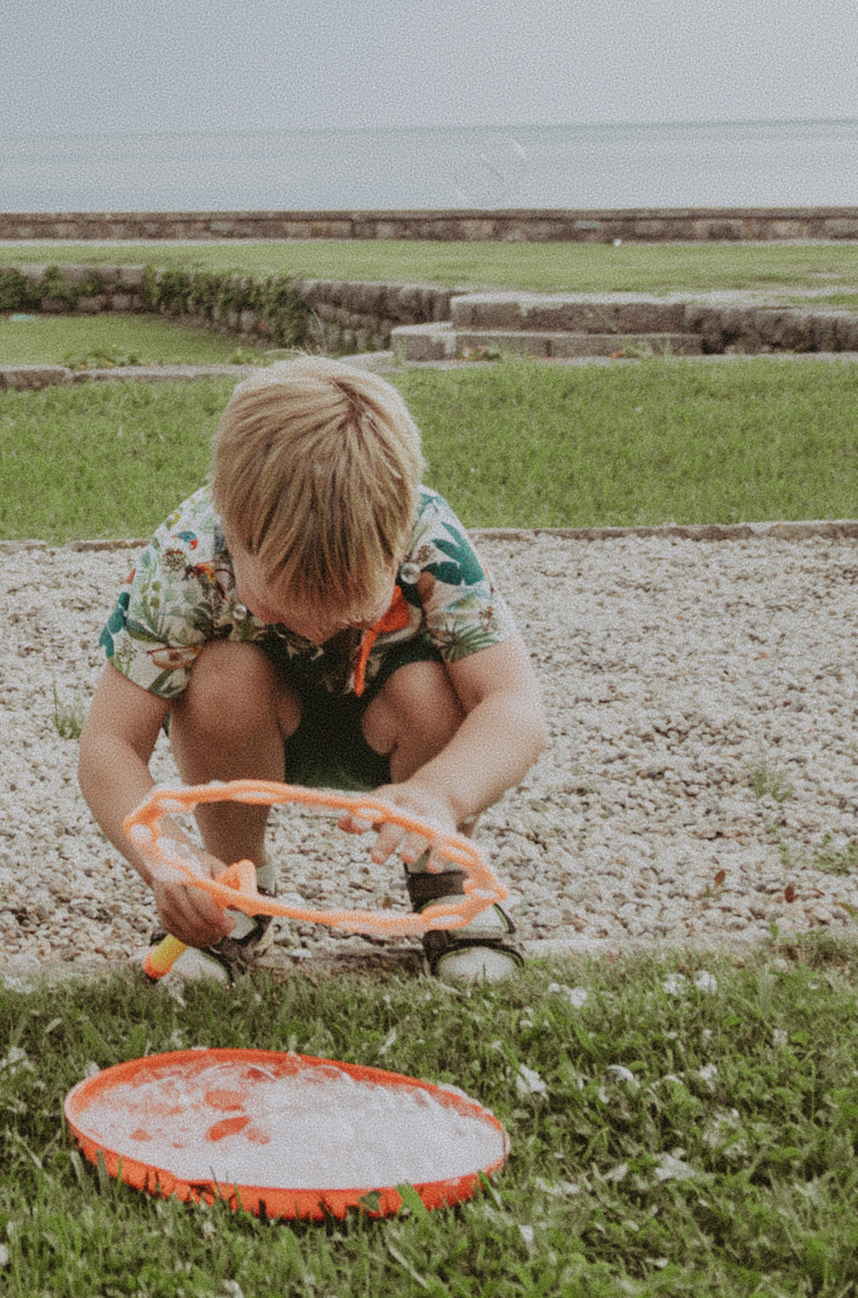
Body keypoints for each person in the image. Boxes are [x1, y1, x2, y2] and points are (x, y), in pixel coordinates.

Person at [75, 359, 546, 990]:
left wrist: (442, 795)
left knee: (431, 688)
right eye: (278, 609)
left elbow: (514, 707)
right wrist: (168, 857)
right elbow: (108, 744)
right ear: (231, 528)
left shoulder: (430, 539)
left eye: (350, 607)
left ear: (397, 534)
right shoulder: (188, 558)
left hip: (396, 730)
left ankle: (444, 877)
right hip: (257, 728)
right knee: (218, 679)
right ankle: (233, 885)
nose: (315, 632)